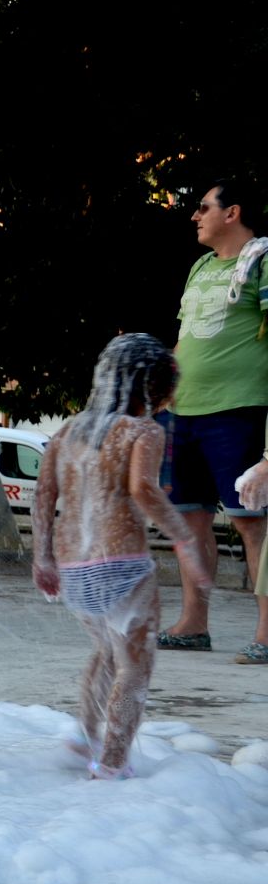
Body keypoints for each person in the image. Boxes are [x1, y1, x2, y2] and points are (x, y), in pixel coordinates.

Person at [32, 336, 209, 778]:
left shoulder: (67, 431)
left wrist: (42, 559)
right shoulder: (143, 430)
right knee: (135, 666)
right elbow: (142, 490)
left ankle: (83, 738)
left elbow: (43, 496)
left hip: (73, 570)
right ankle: (110, 764)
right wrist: (186, 542)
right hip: (122, 564)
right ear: (152, 386)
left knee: (106, 653)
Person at [157, 179, 268, 660]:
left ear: (232, 213)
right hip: (184, 411)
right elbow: (187, 336)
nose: (195, 215)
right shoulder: (201, 266)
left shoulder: (263, 262)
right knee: (188, 519)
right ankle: (193, 623)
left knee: (252, 522)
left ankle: (267, 632)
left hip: (237, 409)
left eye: (203, 207)